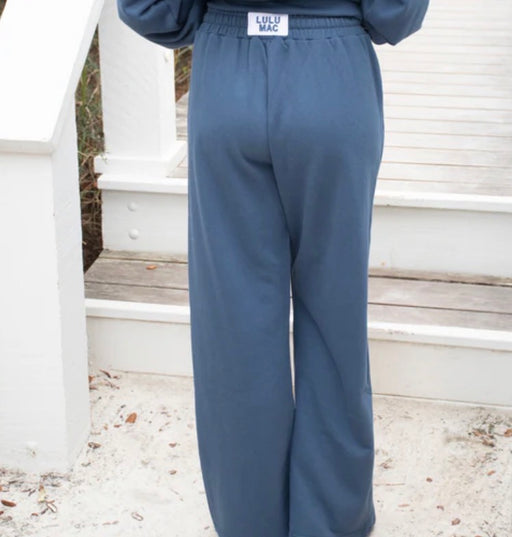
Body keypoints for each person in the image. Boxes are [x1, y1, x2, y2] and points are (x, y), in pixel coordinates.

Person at [116, 1, 430, 536]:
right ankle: (330, 521)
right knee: (334, 317)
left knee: (233, 329)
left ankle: (250, 521)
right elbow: (397, 12)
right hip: (331, 78)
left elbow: (150, 9)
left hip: (226, 77)